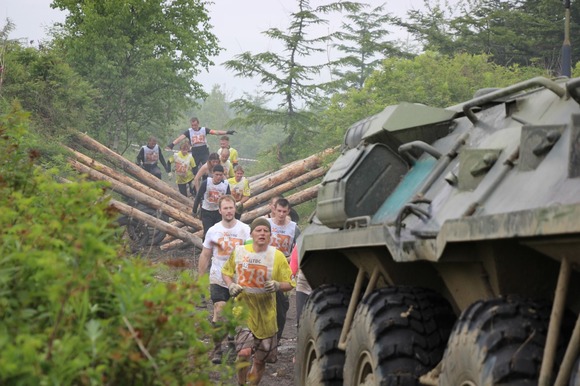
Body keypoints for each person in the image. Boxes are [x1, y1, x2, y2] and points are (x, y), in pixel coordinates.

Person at [221, 218, 294, 386]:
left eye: (265, 231)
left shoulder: (277, 256)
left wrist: (277, 285)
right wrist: (230, 284)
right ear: (252, 233)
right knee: (244, 354)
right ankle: (241, 383)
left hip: (266, 315)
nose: (262, 233)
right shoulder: (239, 252)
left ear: (270, 235)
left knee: (260, 361)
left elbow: (290, 283)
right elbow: (226, 271)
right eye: (258, 230)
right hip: (243, 311)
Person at [198, 195, 251, 364]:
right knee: (219, 312)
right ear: (219, 210)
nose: (228, 211)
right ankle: (217, 350)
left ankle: (232, 340)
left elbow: (251, 252)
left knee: (236, 315)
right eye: (225, 208)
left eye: (231, 208)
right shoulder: (213, 230)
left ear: (235, 209)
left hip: (239, 278)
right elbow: (205, 254)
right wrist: (201, 278)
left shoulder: (245, 229)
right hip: (218, 276)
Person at [267, 198, 300, 342]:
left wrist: (292, 264)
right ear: (274, 209)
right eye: (279, 211)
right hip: (266, 265)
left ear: (288, 211)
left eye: (284, 212)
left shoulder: (294, 227)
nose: (281, 214)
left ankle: (276, 340)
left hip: (284, 267)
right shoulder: (266, 224)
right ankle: (262, 339)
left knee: (282, 308)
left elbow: (299, 248)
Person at [166, 117, 235, 174]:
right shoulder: (189, 131)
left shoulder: (204, 130)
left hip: (204, 150)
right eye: (192, 125)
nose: (194, 127)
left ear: (198, 124)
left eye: (195, 125)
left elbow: (215, 132)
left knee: (206, 167)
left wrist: (227, 132)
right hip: (195, 151)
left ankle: (205, 181)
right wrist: (172, 144)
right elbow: (181, 138)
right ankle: (194, 185)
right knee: (194, 170)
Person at [192, 164, 231, 240]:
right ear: (213, 173)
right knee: (208, 232)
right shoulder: (206, 183)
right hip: (206, 211)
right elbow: (198, 196)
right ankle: (205, 249)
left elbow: (229, 199)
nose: (218, 177)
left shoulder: (225, 185)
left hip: (218, 212)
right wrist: (194, 210)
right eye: (216, 175)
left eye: (220, 175)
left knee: (218, 233)